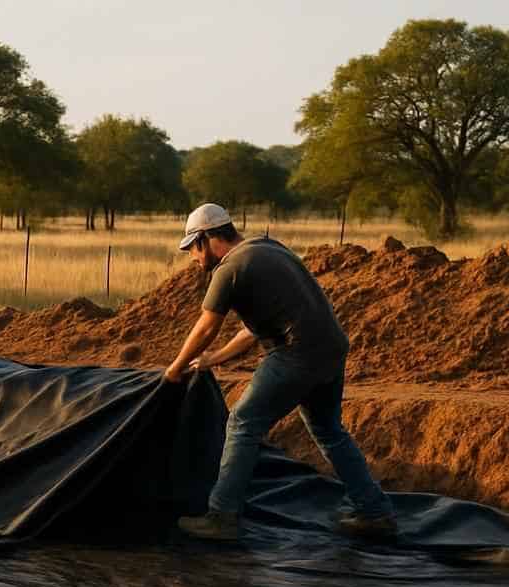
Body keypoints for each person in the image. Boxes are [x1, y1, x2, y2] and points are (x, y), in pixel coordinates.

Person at [163, 203, 397, 541]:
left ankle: (221, 517)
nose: (193, 258)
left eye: (192, 249)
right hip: (331, 348)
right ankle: (375, 512)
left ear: (205, 239)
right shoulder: (266, 249)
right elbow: (252, 330)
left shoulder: (229, 269)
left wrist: (174, 370)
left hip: (295, 354)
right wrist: (214, 359)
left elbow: (205, 328)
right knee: (328, 429)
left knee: (242, 423)